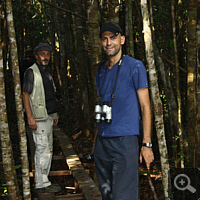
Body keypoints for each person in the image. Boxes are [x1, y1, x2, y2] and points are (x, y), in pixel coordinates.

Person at [94, 22, 154, 200]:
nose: (108, 43)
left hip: (125, 141)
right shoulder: (101, 70)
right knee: (107, 195)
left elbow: (145, 106)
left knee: (123, 196)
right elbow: (101, 106)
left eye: (112, 38)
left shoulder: (135, 66)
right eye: (104, 39)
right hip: (102, 142)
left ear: (122, 39)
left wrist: (146, 144)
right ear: (100, 42)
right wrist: (95, 142)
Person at [22, 43, 61, 193]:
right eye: (42, 54)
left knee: (48, 149)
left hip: (48, 115)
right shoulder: (31, 72)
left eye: (47, 54)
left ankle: (44, 181)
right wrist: (30, 117)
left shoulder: (47, 71)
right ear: (36, 55)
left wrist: (54, 114)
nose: (45, 57)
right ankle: (41, 184)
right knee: (42, 150)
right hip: (38, 118)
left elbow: (50, 94)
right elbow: (25, 94)